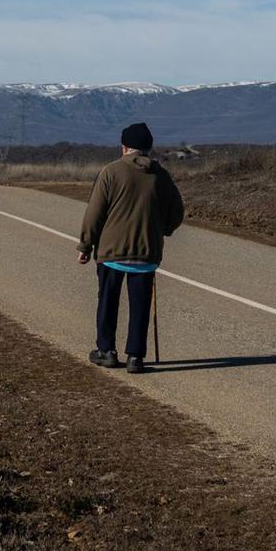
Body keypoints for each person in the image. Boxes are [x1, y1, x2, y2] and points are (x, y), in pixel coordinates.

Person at [77, 122, 184, 374]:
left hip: (111, 251)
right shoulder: (161, 176)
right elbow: (177, 212)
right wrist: (162, 230)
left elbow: (95, 212)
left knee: (108, 301)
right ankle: (135, 356)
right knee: (140, 305)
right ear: (148, 148)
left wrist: (85, 245)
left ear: (124, 147)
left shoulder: (111, 172)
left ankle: (107, 351)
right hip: (146, 252)